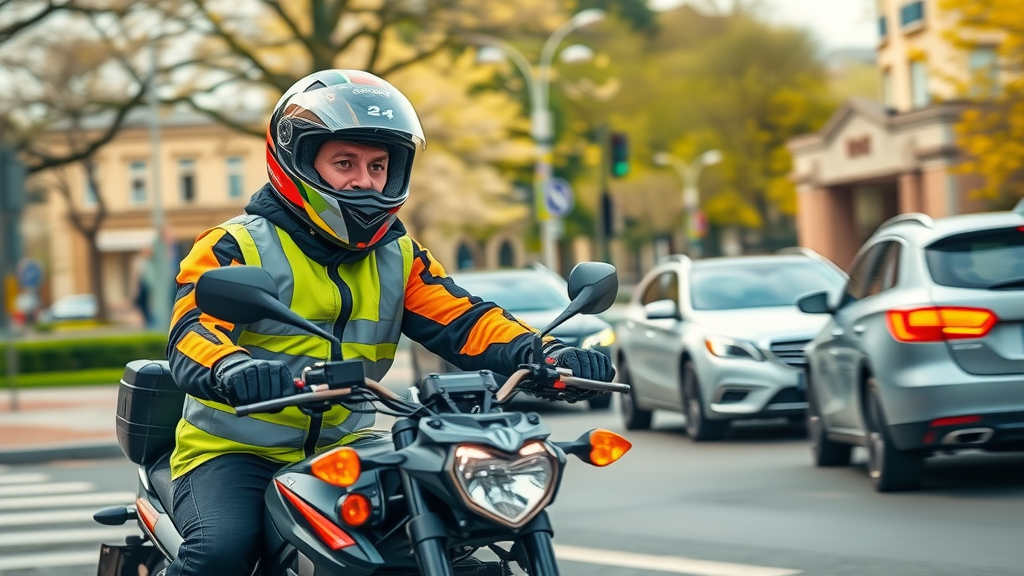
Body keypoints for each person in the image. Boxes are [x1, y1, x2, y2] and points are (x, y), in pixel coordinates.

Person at [164, 69, 614, 576]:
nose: (364, 181)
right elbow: (192, 333)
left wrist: (545, 354)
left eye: (378, 165)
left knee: (447, 529)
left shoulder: (399, 256)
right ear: (295, 162)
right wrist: (233, 368)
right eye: (344, 163)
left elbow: (466, 320)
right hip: (234, 451)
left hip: (348, 443)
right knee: (222, 553)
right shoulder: (234, 246)